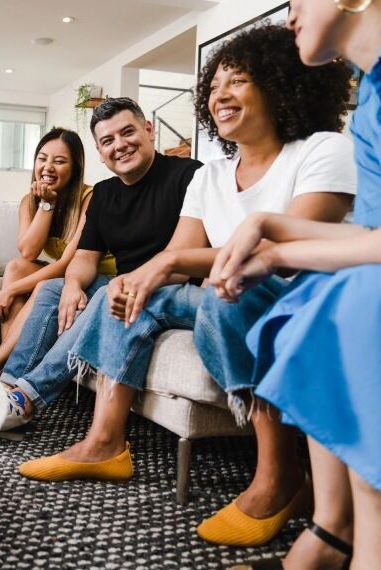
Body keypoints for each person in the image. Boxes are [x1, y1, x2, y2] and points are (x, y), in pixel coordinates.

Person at [18, 25, 356, 551]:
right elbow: (182, 254)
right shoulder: (213, 176)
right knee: (118, 290)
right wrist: (145, 275)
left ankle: (279, 477)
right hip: (224, 286)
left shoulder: (321, 150)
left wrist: (171, 261)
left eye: (237, 81)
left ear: (279, 84)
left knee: (227, 293)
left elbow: (287, 246)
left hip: (298, 298)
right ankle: (104, 442)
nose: (220, 96)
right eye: (214, 86)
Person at [209, 1, 381, 567]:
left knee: (344, 300)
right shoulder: (370, 101)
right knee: (314, 299)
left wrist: (279, 247)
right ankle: (333, 530)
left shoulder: (331, 141)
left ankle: (351, 541)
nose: (289, 16)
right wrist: (266, 228)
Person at [0, 97, 202, 430]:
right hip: (125, 284)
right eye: (108, 141)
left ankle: (28, 397)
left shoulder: (188, 175)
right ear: (99, 152)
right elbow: (84, 257)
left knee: (110, 290)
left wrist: (118, 284)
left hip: (173, 285)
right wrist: (74, 285)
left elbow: (184, 258)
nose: (120, 146)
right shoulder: (105, 193)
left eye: (128, 133)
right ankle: (10, 383)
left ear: (149, 131)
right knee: (52, 288)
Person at [0, 128, 116, 374]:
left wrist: (10, 289)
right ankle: (8, 361)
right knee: (15, 267)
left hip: (91, 273)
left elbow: (68, 263)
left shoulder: (90, 197)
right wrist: (48, 204)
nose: (48, 167)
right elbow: (28, 252)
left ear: (75, 167)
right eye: (42, 159)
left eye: (59, 161)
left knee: (25, 284)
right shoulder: (30, 201)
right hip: (67, 271)